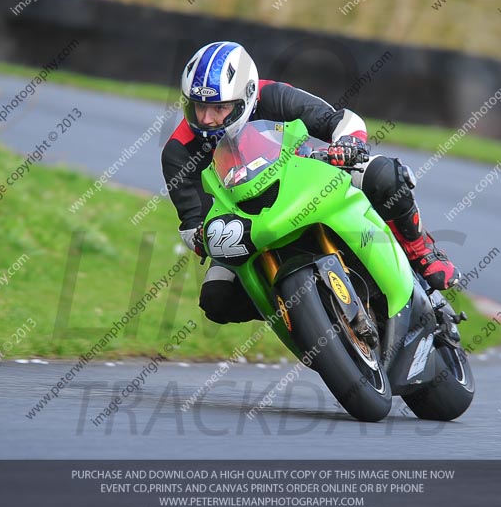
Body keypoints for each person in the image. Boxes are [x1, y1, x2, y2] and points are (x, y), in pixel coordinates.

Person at [161, 41, 460, 324]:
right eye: (199, 107)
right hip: (246, 221)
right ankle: (302, 317)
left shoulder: (274, 96)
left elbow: (342, 121)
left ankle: (423, 251)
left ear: (247, 95)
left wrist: (347, 144)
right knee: (216, 300)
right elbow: (191, 224)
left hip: (306, 179)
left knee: (384, 175)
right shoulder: (178, 151)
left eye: (219, 108)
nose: (207, 118)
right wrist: (203, 237)